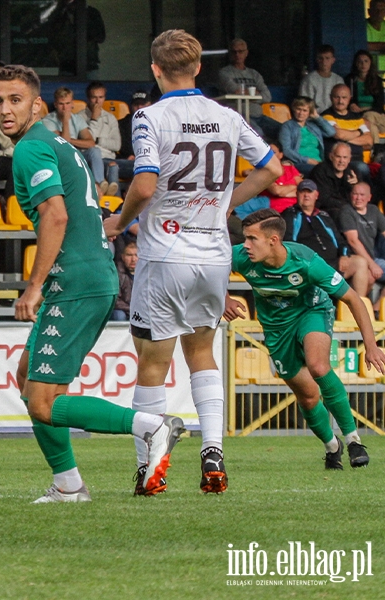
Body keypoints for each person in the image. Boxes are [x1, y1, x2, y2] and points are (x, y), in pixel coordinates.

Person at [0, 63, 185, 503]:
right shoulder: (58, 144)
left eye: (15, 100)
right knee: (30, 377)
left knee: (41, 401)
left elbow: (56, 215)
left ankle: (149, 425)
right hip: (91, 274)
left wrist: (34, 286)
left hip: (75, 280)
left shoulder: (30, 149)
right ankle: (67, 484)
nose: (5, 109)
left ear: (37, 105)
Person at [103, 30, 282, 495]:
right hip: (215, 255)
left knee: (152, 362)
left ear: (156, 69)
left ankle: (151, 465)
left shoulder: (149, 117)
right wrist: (228, 202)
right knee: (201, 352)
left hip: (166, 253)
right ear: (199, 67)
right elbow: (272, 168)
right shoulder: (225, 115)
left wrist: (117, 223)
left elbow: (143, 186)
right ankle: (213, 452)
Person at [225, 209, 384, 468]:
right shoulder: (242, 258)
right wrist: (224, 298)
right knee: (308, 397)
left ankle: (354, 439)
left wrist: (371, 346)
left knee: (318, 366)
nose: (246, 245)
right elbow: (211, 266)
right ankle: (333, 446)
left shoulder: (306, 261)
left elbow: (353, 298)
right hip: (277, 330)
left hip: (312, 311)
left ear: (273, 240)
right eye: (245, 238)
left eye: (252, 239)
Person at [282, 179, 368, 296]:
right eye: (303, 192)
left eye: (310, 192)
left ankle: (357, 309)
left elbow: (340, 240)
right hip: (309, 265)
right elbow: (288, 244)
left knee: (360, 263)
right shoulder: (289, 214)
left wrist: (344, 255)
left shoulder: (324, 215)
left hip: (333, 264)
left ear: (316, 195)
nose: (306, 195)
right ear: (297, 194)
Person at [41, 87, 117, 196]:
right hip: (60, 157)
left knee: (94, 151)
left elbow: (90, 142)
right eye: (61, 104)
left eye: (67, 103)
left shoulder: (77, 119)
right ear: (56, 104)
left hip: (77, 155)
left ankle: (99, 183)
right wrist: (65, 121)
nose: (65, 108)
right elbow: (64, 145)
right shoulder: (48, 121)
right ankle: (99, 189)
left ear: (72, 104)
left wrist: (71, 140)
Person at [217, 38, 278, 138]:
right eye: (234, 52)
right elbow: (236, 91)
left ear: (246, 53)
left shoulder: (254, 74)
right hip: (238, 117)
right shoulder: (224, 73)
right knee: (257, 133)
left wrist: (246, 94)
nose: (237, 55)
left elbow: (267, 96)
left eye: (240, 51)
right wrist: (256, 94)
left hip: (259, 116)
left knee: (284, 130)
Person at [339, 181, 385, 287]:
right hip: (355, 259)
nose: (358, 198)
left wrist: (372, 263)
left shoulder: (373, 210)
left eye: (362, 195)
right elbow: (353, 241)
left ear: (369, 197)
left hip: (373, 258)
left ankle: (378, 304)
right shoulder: (346, 212)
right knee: (369, 278)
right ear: (351, 195)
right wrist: (372, 265)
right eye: (355, 194)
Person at [320, 84, 373, 172]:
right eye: (337, 97)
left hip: (356, 159)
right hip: (336, 161)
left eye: (344, 97)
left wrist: (345, 137)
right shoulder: (326, 116)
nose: (340, 101)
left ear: (350, 98)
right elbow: (338, 134)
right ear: (330, 97)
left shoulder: (357, 117)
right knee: (362, 168)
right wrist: (359, 132)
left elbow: (369, 140)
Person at [279, 96, 336, 176]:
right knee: (320, 172)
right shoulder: (287, 126)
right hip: (299, 163)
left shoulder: (313, 125)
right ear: (294, 109)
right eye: (298, 109)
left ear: (310, 112)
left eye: (305, 110)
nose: (301, 113)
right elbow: (286, 150)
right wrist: (308, 160)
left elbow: (331, 132)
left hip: (319, 162)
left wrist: (317, 117)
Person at [308, 142, 358, 221]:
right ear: (331, 157)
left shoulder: (353, 172)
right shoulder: (319, 171)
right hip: (325, 212)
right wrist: (348, 206)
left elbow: (362, 196)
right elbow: (324, 199)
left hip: (347, 209)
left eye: (345, 157)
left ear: (349, 159)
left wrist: (355, 186)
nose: (341, 161)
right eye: (338, 157)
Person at [343, 50, 385, 144]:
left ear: (370, 63)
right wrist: (351, 104)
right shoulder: (350, 80)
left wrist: (363, 109)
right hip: (360, 117)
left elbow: (379, 105)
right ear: (356, 64)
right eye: (360, 61)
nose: (363, 64)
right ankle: (377, 151)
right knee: (371, 126)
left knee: (368, 116)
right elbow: (345, 98)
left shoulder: (377, 80)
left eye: (366, 61)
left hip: (377, 115)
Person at [115, 91, 151, 182]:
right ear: (131, 106)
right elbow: (122, 146)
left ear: (149, 105)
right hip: (128, 161)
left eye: (142, 104)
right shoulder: (122, 124)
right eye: (136, 104)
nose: (139, 107)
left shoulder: (157, 123)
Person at [298, 45, 344, 113]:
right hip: (314, 117)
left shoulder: (338, 80)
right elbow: (304, 103)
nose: (324, 62)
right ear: (317, 59)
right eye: (321, 58)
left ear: (333, 60)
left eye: (327, 58)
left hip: (334, 117)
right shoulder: (309, 79)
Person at [262, 141, 302, 213]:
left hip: (296, 210)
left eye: (273, 152)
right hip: (275, 211)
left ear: (281, 155)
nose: (270, 155)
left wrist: (283, 190)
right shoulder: (264, 171)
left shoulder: (290, 169)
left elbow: (302, 189)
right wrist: (294, 187)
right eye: (267, 152)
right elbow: (276, 191)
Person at [111, 241, 137, 321]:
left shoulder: (147, 275)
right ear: (123, 257)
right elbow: (115, 300)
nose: (133, 259)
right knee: (119, 315)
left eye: (136, 255)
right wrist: (131, 309)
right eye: (129, 255)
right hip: (123, 309)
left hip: (140, 311)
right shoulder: (116, 273)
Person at [367, 0, 385, 73]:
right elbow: (360, 45)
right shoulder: (362, 27)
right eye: (376, 10)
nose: (379, 13)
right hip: (366, 72)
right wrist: (381, 46)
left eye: (382, 10)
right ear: (369, 11)